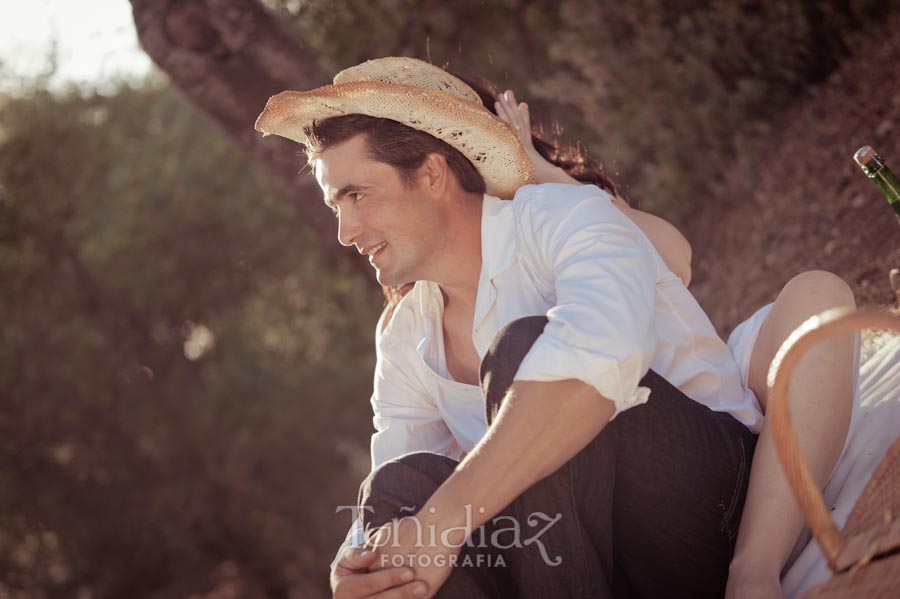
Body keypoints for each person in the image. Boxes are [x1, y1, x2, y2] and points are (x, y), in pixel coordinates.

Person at [257, 56, 769, 599]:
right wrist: (360, 562)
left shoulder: (563, 219)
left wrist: (444, 521)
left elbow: (597, 368)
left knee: (523, 353)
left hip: (708, 503)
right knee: (394, 489)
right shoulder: (405, 335)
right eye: (336, 206)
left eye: (356, 196)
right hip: (589, 551)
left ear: (431, 175)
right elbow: (398, 463)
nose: (345, 232)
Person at [487, 88, 859, 599]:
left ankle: (756, 564)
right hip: (635, 470)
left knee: (820, 295)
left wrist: (543, 175)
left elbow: (676, 259)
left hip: (706, 410)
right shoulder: (456, 285)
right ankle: (751, 562)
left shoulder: (565, 203)